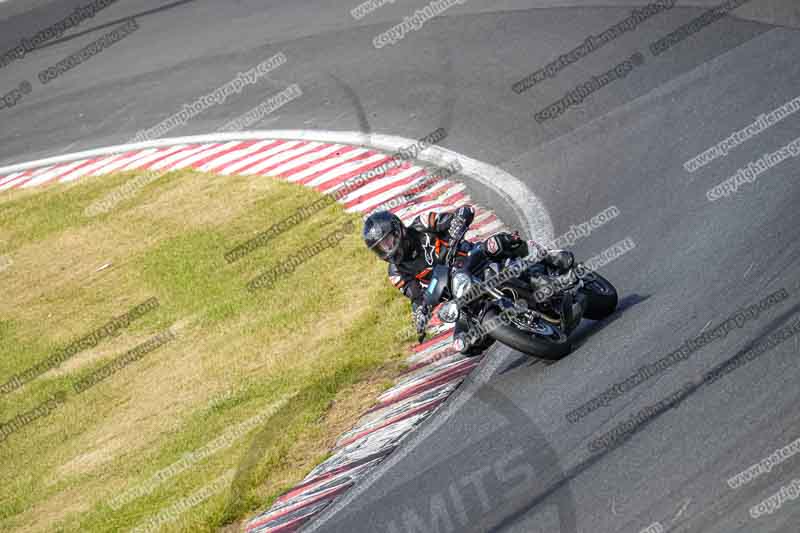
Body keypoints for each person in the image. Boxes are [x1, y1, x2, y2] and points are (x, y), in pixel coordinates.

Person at [362, 206, 574, 356]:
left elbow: (461, 213)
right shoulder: (396, 273)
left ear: (398, 230)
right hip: (458, 293)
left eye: (388, 241)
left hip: (473, 259)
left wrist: (457, 224)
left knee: (495, 244)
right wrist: (420, 312)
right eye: (381, 248)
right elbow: (416, 296)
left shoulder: (421, 225)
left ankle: (546, 256)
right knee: (463, 344)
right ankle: (518, 326)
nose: (388, 249)